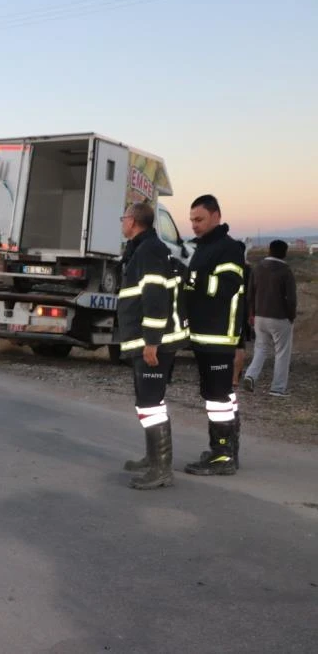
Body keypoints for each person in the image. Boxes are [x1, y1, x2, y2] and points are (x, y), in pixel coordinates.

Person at [117, 203, 189, 489]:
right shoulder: (141, 248)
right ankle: (152, 457)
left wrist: (152, 342)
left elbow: (155, 297)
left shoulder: (149, 251)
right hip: (144, 341)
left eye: (124, 218)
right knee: (146, 402)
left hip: (154, 344)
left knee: (151, 403)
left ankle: (162, 469)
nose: (122, 222)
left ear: (133, 221)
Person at [183, 195, 245, 476]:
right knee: (221, 395)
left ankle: (222, 456)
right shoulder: (202, 248)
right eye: (192, 220)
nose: (194, 225)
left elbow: (227, 286)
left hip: (219, 335)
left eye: (200, 219)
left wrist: (192, 279)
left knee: (217, 397)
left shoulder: (229, 248)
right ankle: (226, 449)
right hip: (202, 333)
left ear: (216, 216)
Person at [243, 239, 297, 397]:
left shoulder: (258, 268)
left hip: (259, 316)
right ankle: (277, 388)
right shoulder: (286, 271)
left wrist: (251, 314)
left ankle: (250, 376)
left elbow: (250, 294)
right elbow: (291, 299)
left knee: (260, 348)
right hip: (280, 318)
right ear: (284, 252)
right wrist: (291, 316)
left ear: (269, 250)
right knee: (282, 353)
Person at [233, 241, 253, 389]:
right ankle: (235, 377)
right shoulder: (248, 269)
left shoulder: (228, 267)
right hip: (243, 309)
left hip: (227, 311)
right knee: (240, 345)